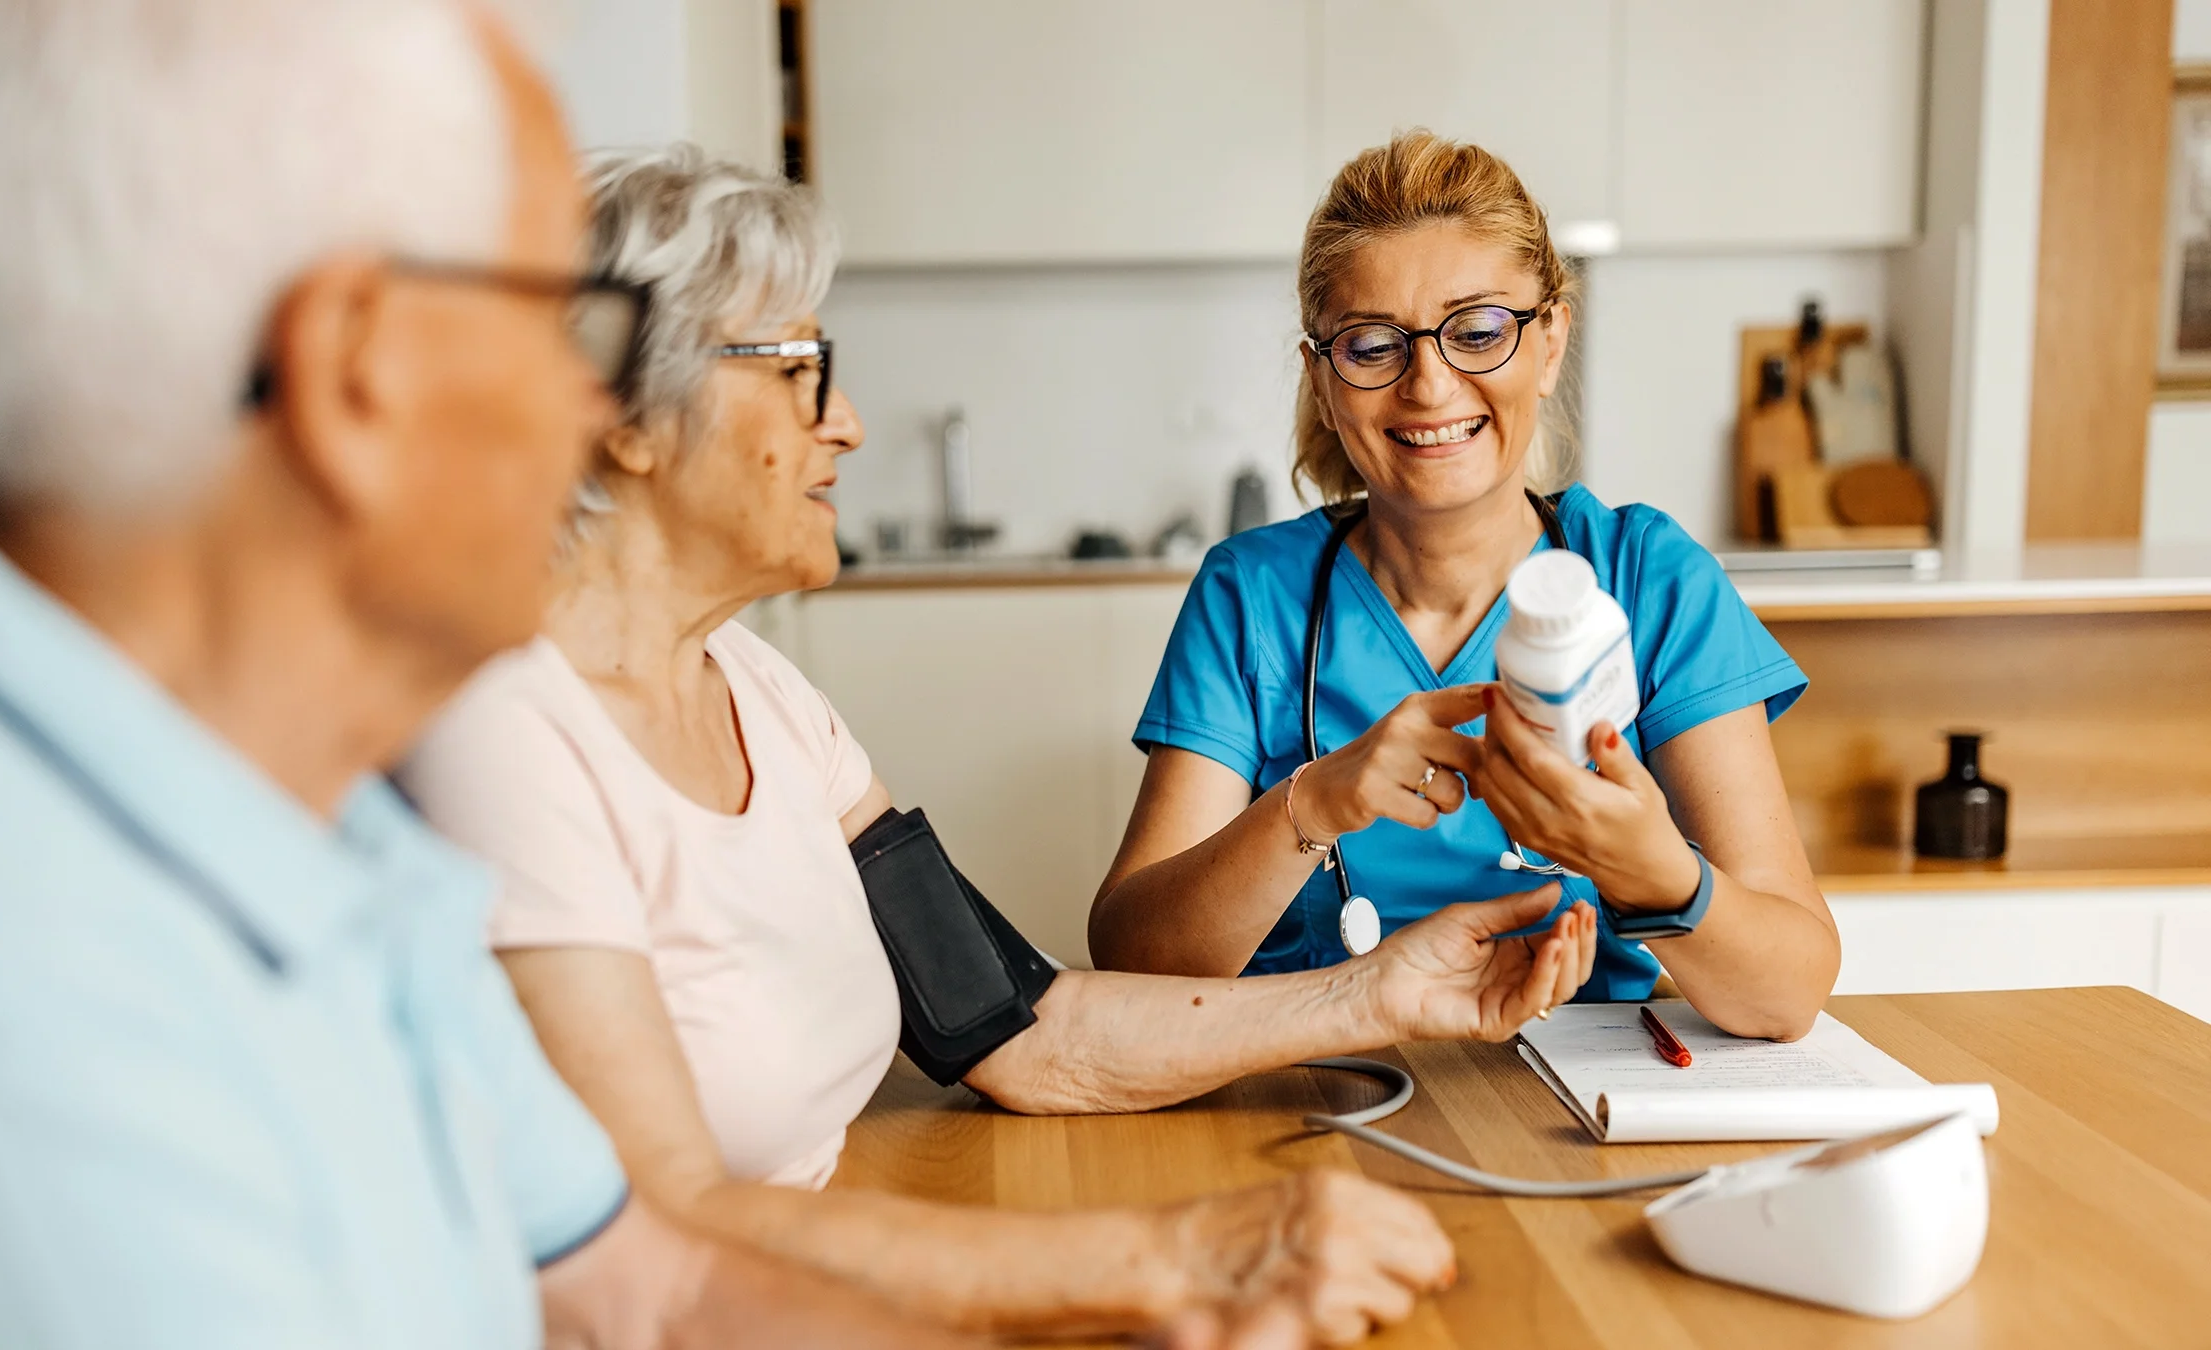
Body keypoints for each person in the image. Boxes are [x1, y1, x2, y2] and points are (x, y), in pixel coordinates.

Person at [0, 6, 1196, 1347]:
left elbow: (648, 1288)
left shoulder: (335, 829)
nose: (601, 408)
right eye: (576, 328)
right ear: (358, 373)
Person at [397, 145, 1596, 1348]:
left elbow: (1023, 1030)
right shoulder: (498, 730)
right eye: (800, 371)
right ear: (623, 413)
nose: (849, 425)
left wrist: (1376, 994)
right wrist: (1171, 1259)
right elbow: (665, 1240)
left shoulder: (762, 695)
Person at [1088, 130, 1841, 1042]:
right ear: (1324, 381)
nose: (1431, 385)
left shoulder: (1649, 577)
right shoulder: (1251, 596)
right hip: (1313, 1081)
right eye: (1372, 347)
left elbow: (1788, 994)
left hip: (1579, 1101)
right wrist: (1316, 801)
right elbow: (1132, 961)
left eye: (1478, 332)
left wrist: (1655, 873)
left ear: (1550, 341)